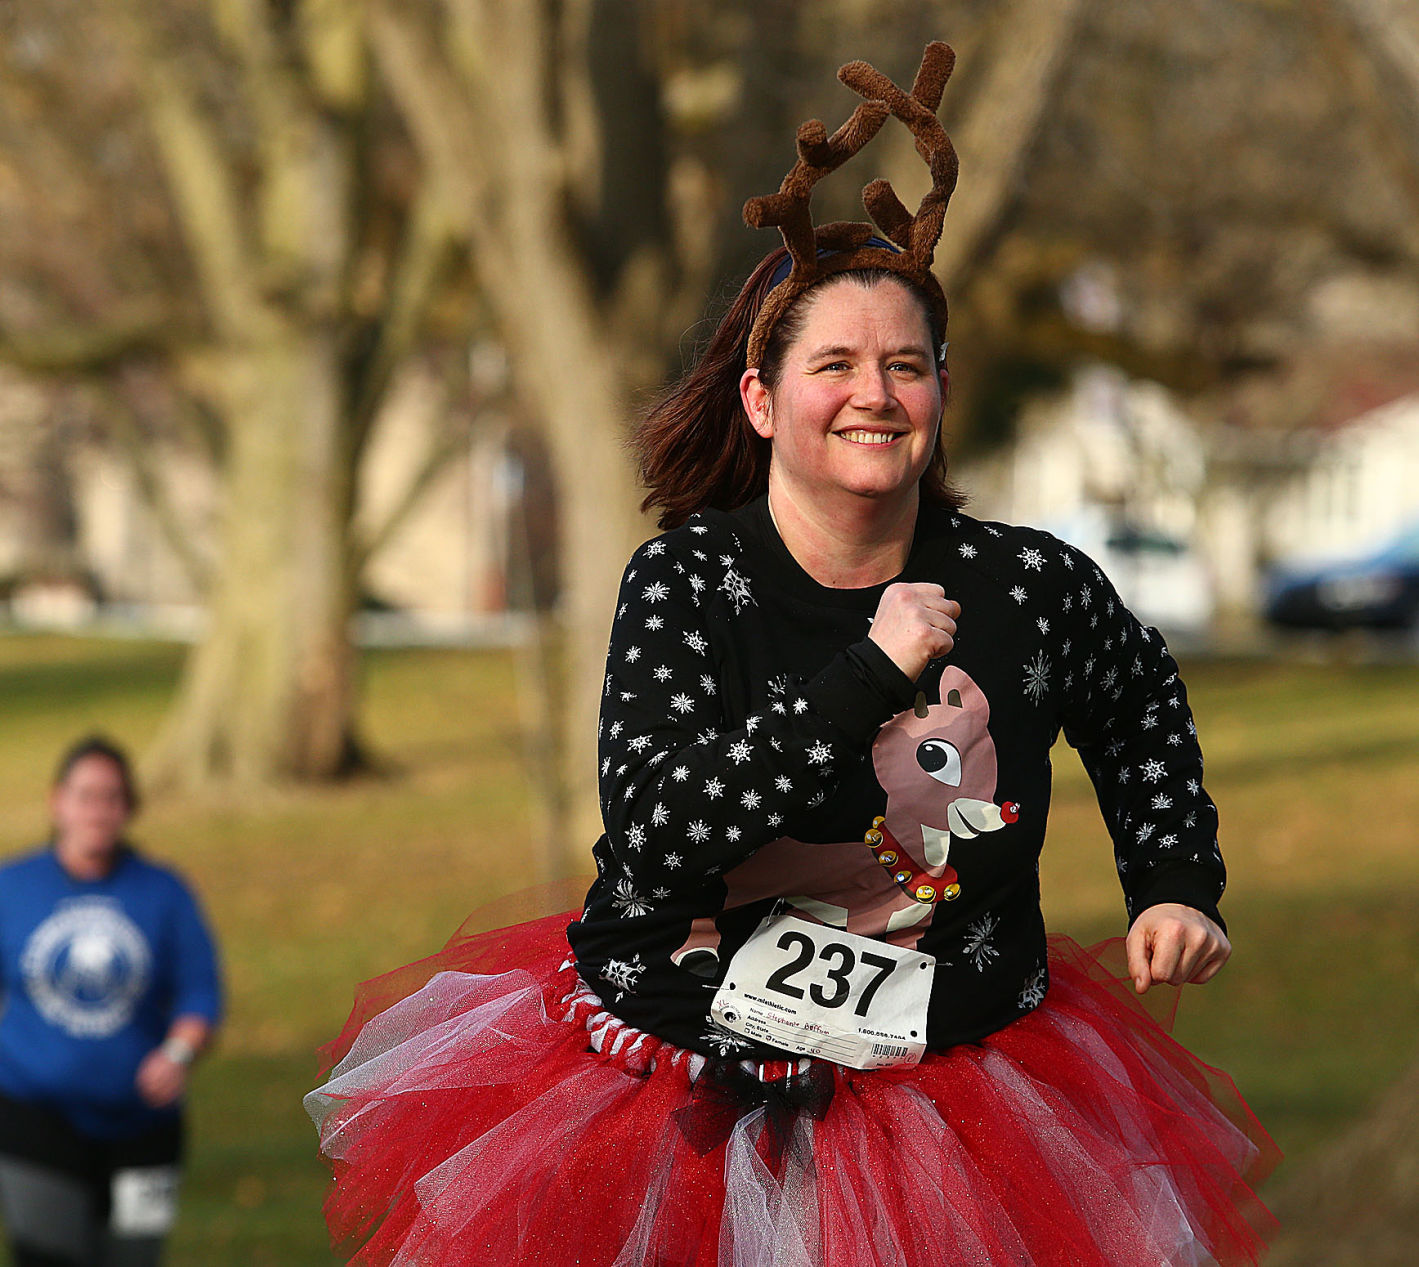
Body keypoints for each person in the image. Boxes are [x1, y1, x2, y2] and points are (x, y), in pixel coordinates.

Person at [305, 44, 1276, 1265]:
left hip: (961, 1092)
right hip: (682, 1105)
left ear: (941, 390)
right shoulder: (689, 581)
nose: (875, 393)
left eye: (905, 365)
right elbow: (661, 824)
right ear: (763, 400)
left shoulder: (1029, 582)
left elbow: (1139, 701)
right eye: (836, 364)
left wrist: (1176, 877)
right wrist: (868, 673)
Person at [0, 735, 222, 1267]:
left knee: (134, 1259)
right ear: (56, 802)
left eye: (112, 797)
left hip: (147, 1133)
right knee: (53, 1257)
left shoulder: (165, 893)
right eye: (85, 796)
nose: (98, 811)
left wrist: (179, 1053)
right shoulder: (5, 890)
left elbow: (201, 991)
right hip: (31, 1121)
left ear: (128, 807)